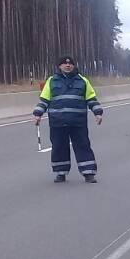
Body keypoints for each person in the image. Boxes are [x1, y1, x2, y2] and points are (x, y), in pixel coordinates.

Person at [33, 55, 103, 183]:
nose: (68, 65)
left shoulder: (83, 81)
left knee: (83, 146)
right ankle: (61, 173)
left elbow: (91, 99)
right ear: (60, 66)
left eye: (70, 64)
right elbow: (44, 100)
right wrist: (38, 114)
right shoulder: (51, 81)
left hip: (78, 122)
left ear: (73, 66)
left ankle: (89, 173)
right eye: (65, 64)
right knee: (59, 147)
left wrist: (97, 113)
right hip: (57, 122)